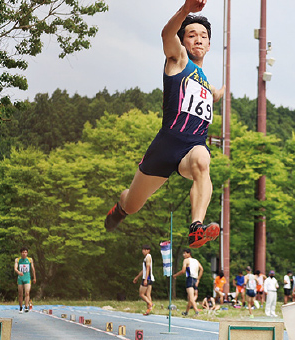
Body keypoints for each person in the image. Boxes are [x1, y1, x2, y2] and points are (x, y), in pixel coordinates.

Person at [103, 0, 225, 249]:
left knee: (203, 161)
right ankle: (120, 209)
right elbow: (166, 34)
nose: (198, 40)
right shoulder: (178, 60)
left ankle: (196, 228)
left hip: (191, 148)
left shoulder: (205, 81)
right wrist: (186, 10)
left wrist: (219, 93)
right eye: (191, 35)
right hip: (165, 147)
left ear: (210, 44)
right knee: (132, 204)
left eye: (203, 36)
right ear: (183, 41)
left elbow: (211, 92)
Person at [173, 249, 203, 316]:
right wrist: (198, 279)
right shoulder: (196, 261)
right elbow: (201, 269)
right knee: (190, 297)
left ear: (189, 254)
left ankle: (196, 311)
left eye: (185, 253)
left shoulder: (186, 260)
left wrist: (175, 275)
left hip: (190, 279)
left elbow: (183, 271)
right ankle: (186, 312)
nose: (184, 255)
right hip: (195, 279)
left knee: (191, 297)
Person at [133, 245, 155, 315]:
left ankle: (150, 304)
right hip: (150, 277)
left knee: (141, 294)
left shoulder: (148, 257)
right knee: (148, 295)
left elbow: (148, 268)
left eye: (145, 249)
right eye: (143, 249)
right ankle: (149, 310)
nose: (143, 251)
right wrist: (137, 277)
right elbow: (144, 270)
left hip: (147, 278)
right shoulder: (146, 257)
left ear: (148, 250)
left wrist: (145, 279)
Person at [14, 247, 36, 313]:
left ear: (27, 253)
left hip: (27, 278)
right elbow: (15, 268)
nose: (24, 254)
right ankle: (21, 307)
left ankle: (26, 306)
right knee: (20, 293)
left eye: (25, 252)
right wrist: (18, 272)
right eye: (23, 252)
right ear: (21, 253)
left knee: (27, 292)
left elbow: (33, 269)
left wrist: (34, 277)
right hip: (20, 278)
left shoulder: (30, 259)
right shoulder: (17, 260)